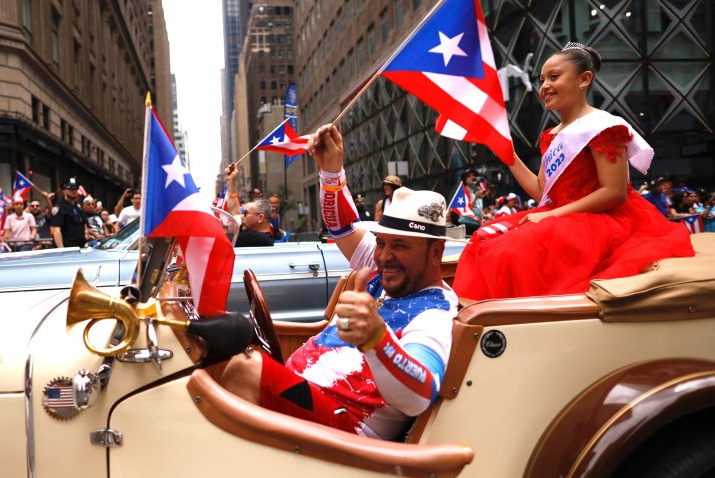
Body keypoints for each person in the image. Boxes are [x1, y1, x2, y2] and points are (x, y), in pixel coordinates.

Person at [221, 123, 458, 441]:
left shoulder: (434, 312)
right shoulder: (388, 270)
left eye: (400, 245)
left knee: (243, 369)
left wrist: (377, 339)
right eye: (382, 242)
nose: (385, 255)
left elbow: (420, 393)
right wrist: (331, 173)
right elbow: (343, 227)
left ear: (436, 252)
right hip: (307, 402)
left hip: (343, 431)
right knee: (219, 349)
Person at [453, 43, 695, 300]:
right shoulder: (551, 136)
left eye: (554, 77)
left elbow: (614, 193)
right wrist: (511, 159)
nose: (544, 85)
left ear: (584, 79)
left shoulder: (603, 126)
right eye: (542, 79)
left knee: (514, 252)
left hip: (602, 218)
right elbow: (542, 192)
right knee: (483, 239)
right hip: (558, 216)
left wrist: (551, 216)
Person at [223, 164, 274, 247]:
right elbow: (235, 214)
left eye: (245, 213)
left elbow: (222, 236)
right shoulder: (253, 235)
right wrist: (231, 182)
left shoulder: (258, 239)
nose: (242, 217)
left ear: (260, 218)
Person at [51, 178, 88, 248]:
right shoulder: (59, 208)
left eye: (76, 189)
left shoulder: (78, 207)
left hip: (81, 246)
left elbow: (83, 226)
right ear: (63, 191)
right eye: (71, 189)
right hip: (68, 247)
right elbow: (56, 231)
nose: (74, 191)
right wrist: (62, 250)